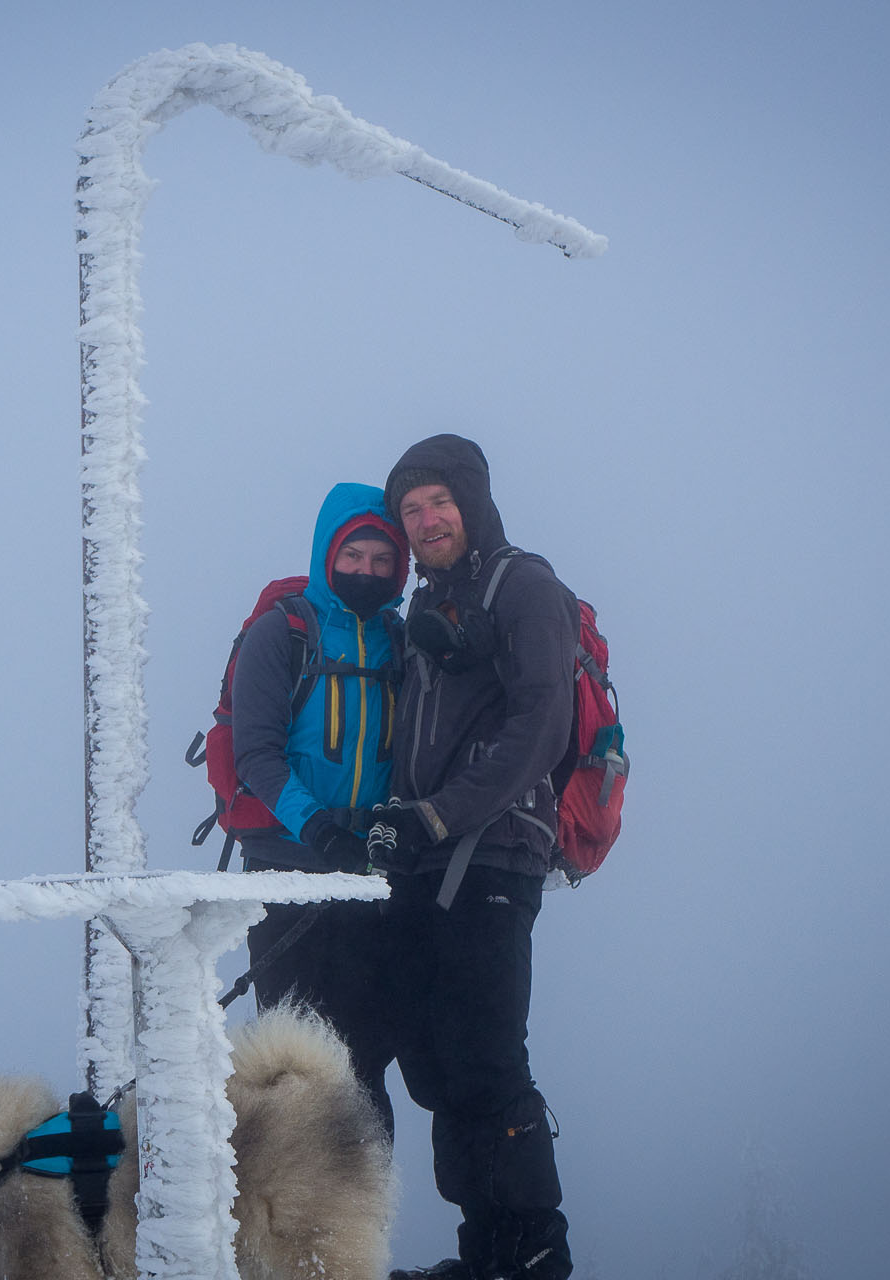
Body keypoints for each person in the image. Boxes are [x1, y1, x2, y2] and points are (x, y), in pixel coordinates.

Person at [368, 435, 580, 1280]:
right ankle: (483, 1251)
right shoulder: (433, 604)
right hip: (429, 861)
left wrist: (435, 816)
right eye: (411, 512)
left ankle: (532, 1255)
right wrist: (393, 825)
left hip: (494, 856)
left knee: (489, 1062)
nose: (424, 522)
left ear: (472, 502)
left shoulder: (522, 584)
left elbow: (542, 725)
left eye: (438, 504)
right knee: (440, 1066)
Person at [231, 480, 409, 1135]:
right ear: (326, 553)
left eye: (381, 560)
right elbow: (256, 754)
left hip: (371, 879)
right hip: (285, 870)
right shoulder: (283, 634)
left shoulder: (402, 641)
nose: (365, 570)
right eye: (353, 555)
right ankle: (287, 1223)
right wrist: (319, 828)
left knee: (365, 1063)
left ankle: (359, 1222)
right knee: (292, 1064)